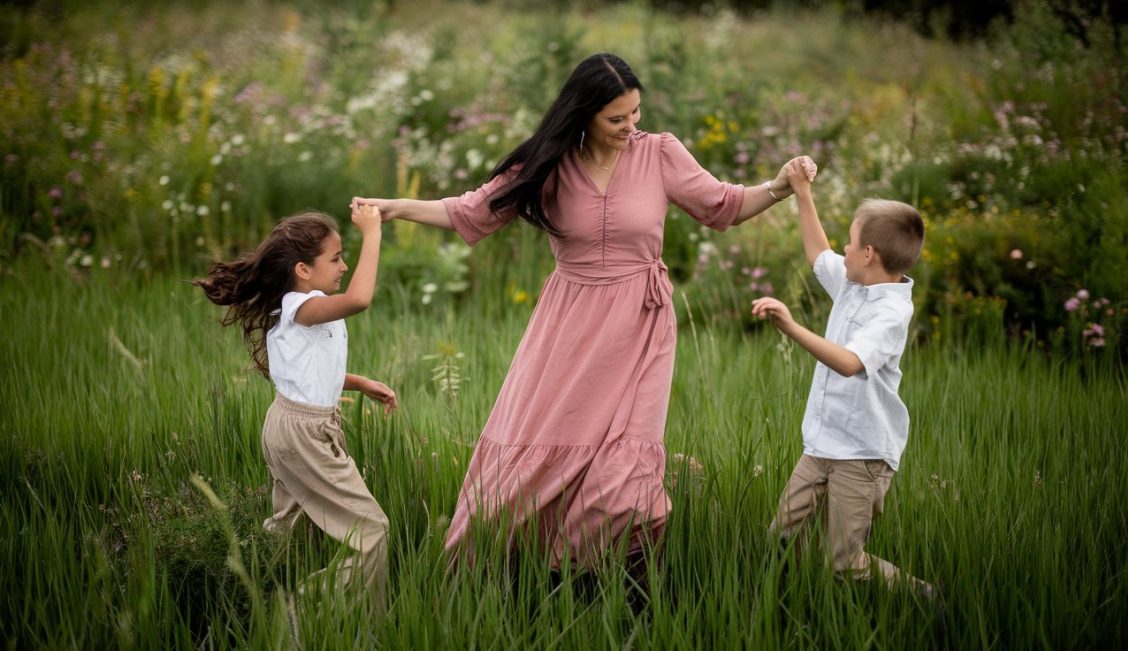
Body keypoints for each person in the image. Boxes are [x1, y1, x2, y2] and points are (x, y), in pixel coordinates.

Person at [355, 52, 813, 569]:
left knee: (625, 476)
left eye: (636, 113)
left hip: (640, 327)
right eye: (617, 118)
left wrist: (779, 187)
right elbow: (471, 208)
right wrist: (395, 209)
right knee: (541, 450)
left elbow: (725, 205)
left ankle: (616, 582)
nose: (630, 126)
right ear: (584, 113)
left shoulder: (660, 153)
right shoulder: (550, 163)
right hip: (568, 324)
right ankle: (532, 572)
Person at [751, 157, 936, 597]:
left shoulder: (891, 312)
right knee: (779, 537)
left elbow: (851, 362)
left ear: (869, 254)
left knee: (844, 562)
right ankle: (785, 600)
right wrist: (802, 192)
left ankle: (926, 599)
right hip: (823, 442)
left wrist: (792, 328)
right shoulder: (855, 283)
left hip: (863, 453)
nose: (844, 250)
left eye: (851, 244)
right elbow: (817, 254)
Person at [194, 206, 398, 592]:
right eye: (336, 258)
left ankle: (251, 594)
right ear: (303, 269)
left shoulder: (305, 307)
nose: (343, 266)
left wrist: (359, 382)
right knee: (371, 531)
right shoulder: (301, 307)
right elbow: (360, 299)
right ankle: (309, 609)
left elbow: (305, 374)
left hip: (291, 424)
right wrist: (373, 233)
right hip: (304, 433)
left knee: (291, 531)